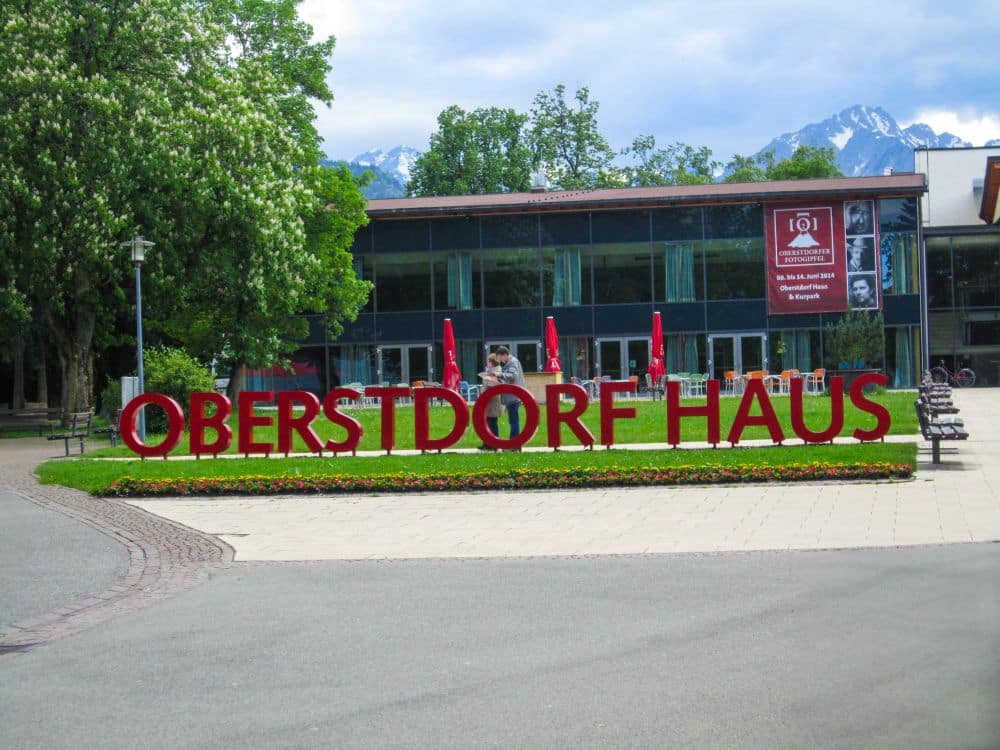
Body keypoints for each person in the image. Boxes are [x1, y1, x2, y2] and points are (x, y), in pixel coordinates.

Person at [494, 345, 525, 446]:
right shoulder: (510, 362)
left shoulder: (512, 362)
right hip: (512, 396)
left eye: (500, 358)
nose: (501, 361)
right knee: (513, 420)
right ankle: (514, 442)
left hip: (514, 397)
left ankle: (514, 443)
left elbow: (513, 376)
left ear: (505, 355)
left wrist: (499, 374)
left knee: (514, 421)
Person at [477, 353, 503, 451]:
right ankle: (487, 444)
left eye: (488, 361)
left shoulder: (497, 371)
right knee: (487, 422)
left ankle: (494, 444)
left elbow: (495, 384)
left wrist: (488, 379)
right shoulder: (489, 371)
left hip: (493, 401)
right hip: (487, 400)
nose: (487, 363)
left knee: (492, 422)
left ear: (492, 363)